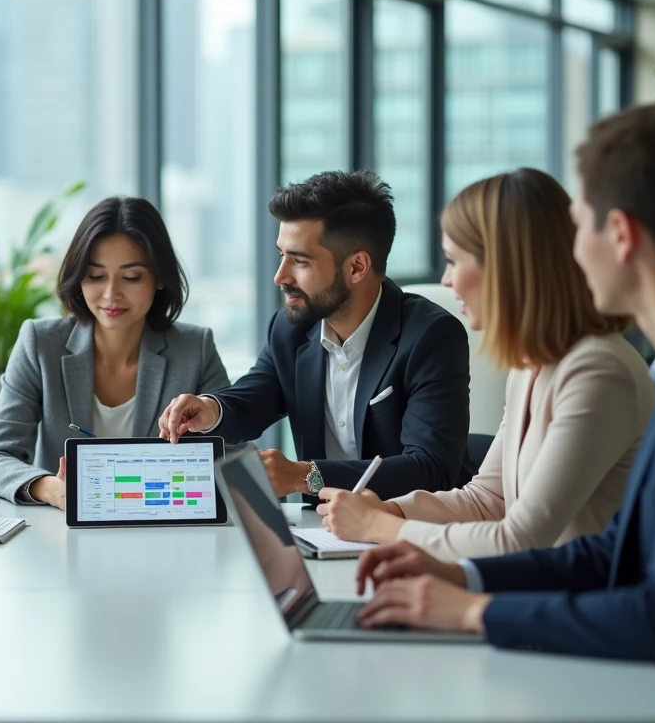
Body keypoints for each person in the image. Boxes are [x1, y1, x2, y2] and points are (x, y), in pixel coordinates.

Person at [351, 99, 655, 719]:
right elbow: (614, 551)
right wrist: (468, 582)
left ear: (620, 235)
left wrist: (476, 611)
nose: (571, 249)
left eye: (580, 223)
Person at [316, 168, 655, 558]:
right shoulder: (531, 366)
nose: (446, 280)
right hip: (538, 596)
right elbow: (487, 500)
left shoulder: (597, 372)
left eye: (454, 261)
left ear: (504, 268)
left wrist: (380, 526)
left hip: (584, 609)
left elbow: (520, 539)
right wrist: (386, 510)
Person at [159, 169, 470, 500]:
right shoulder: (290, 329)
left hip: (402, 530)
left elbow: (431, 469)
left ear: (356, 267)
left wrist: (305, 475)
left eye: (300, 261)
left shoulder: (431, 337)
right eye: (282, 256)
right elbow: (252, 401)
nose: (281, 276)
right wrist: (209, 408)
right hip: (321, 531)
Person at [0, 196, 230, 506]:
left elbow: (235, 458)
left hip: (163, 532)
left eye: (131, 277)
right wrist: (52, 489)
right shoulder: (40, 343)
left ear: (159, 278)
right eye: (96, 276)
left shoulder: (195, 349)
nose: (111, 295)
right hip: (60, 536)